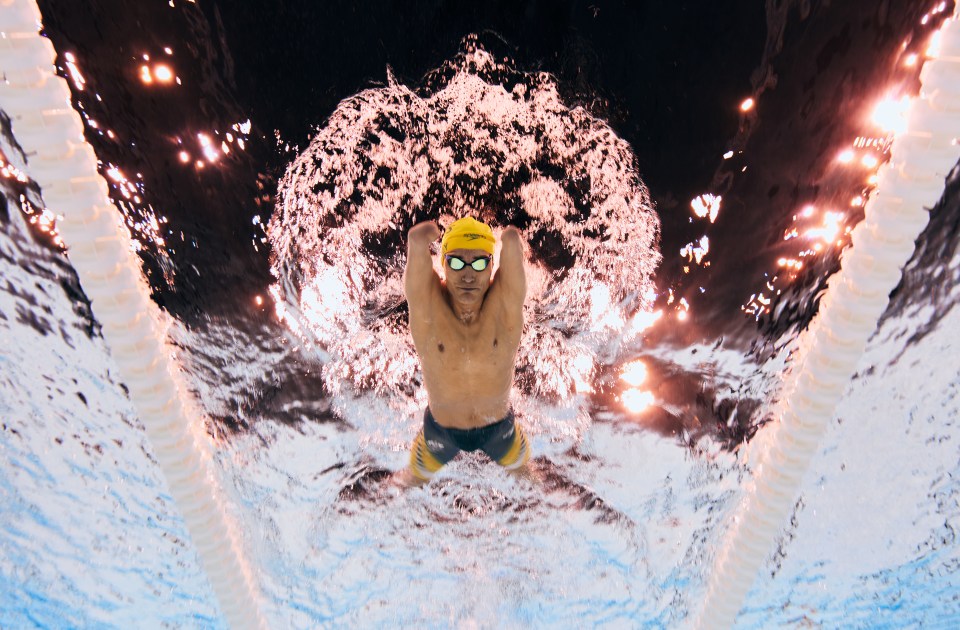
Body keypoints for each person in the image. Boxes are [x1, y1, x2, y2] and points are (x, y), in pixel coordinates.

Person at [400, 215, 531, 485]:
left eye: (480, 262)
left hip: (499, 431)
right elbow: (416, 238)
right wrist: (431, 232)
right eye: (457, 262)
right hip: (440, 434)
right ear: (443, 264)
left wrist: (506, 237)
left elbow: (511, 241)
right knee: (404, 487)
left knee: (533, 484)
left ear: (492, 265)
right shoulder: (430, 309)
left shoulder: (503, 310)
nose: (468, 274)